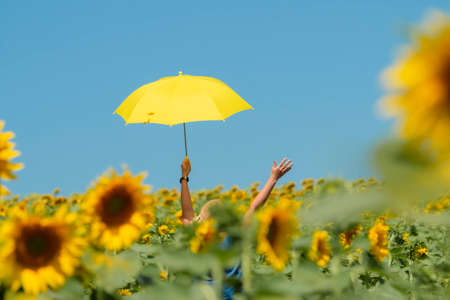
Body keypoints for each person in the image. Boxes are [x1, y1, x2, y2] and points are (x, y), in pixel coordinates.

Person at [178, 156, 293, 299]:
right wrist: (273, 179)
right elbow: (254, 207)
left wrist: (184, 177)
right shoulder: (233, 236)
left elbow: (187, 215)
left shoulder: (196, 239)